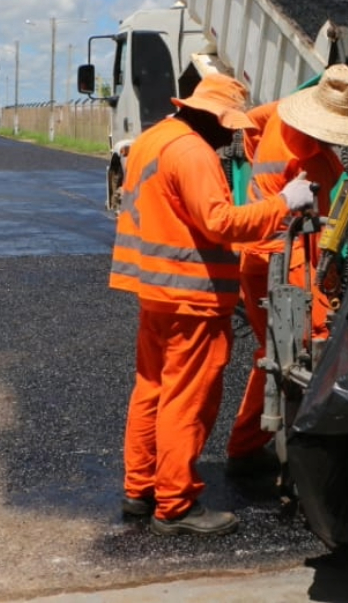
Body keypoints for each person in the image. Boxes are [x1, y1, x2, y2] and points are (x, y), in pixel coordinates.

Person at [110, 73, 315, 537]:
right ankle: (176, 503)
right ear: (210, 117)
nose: (233, 137)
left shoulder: (153, 139)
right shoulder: (193, 152)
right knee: (187, 399)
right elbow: (221, 223)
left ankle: (140, 489)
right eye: (229, 125)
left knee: (151, 390)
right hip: (192, 297)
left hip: (156, 290)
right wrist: (285, 203)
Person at [226, 63, 348, 472]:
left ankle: (259, 444)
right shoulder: (306, 153)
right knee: (305, 344)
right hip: (280, 255)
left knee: (277, 348)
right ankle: (267, 448)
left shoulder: (280, 113)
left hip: (262, 250)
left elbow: (253, 122)